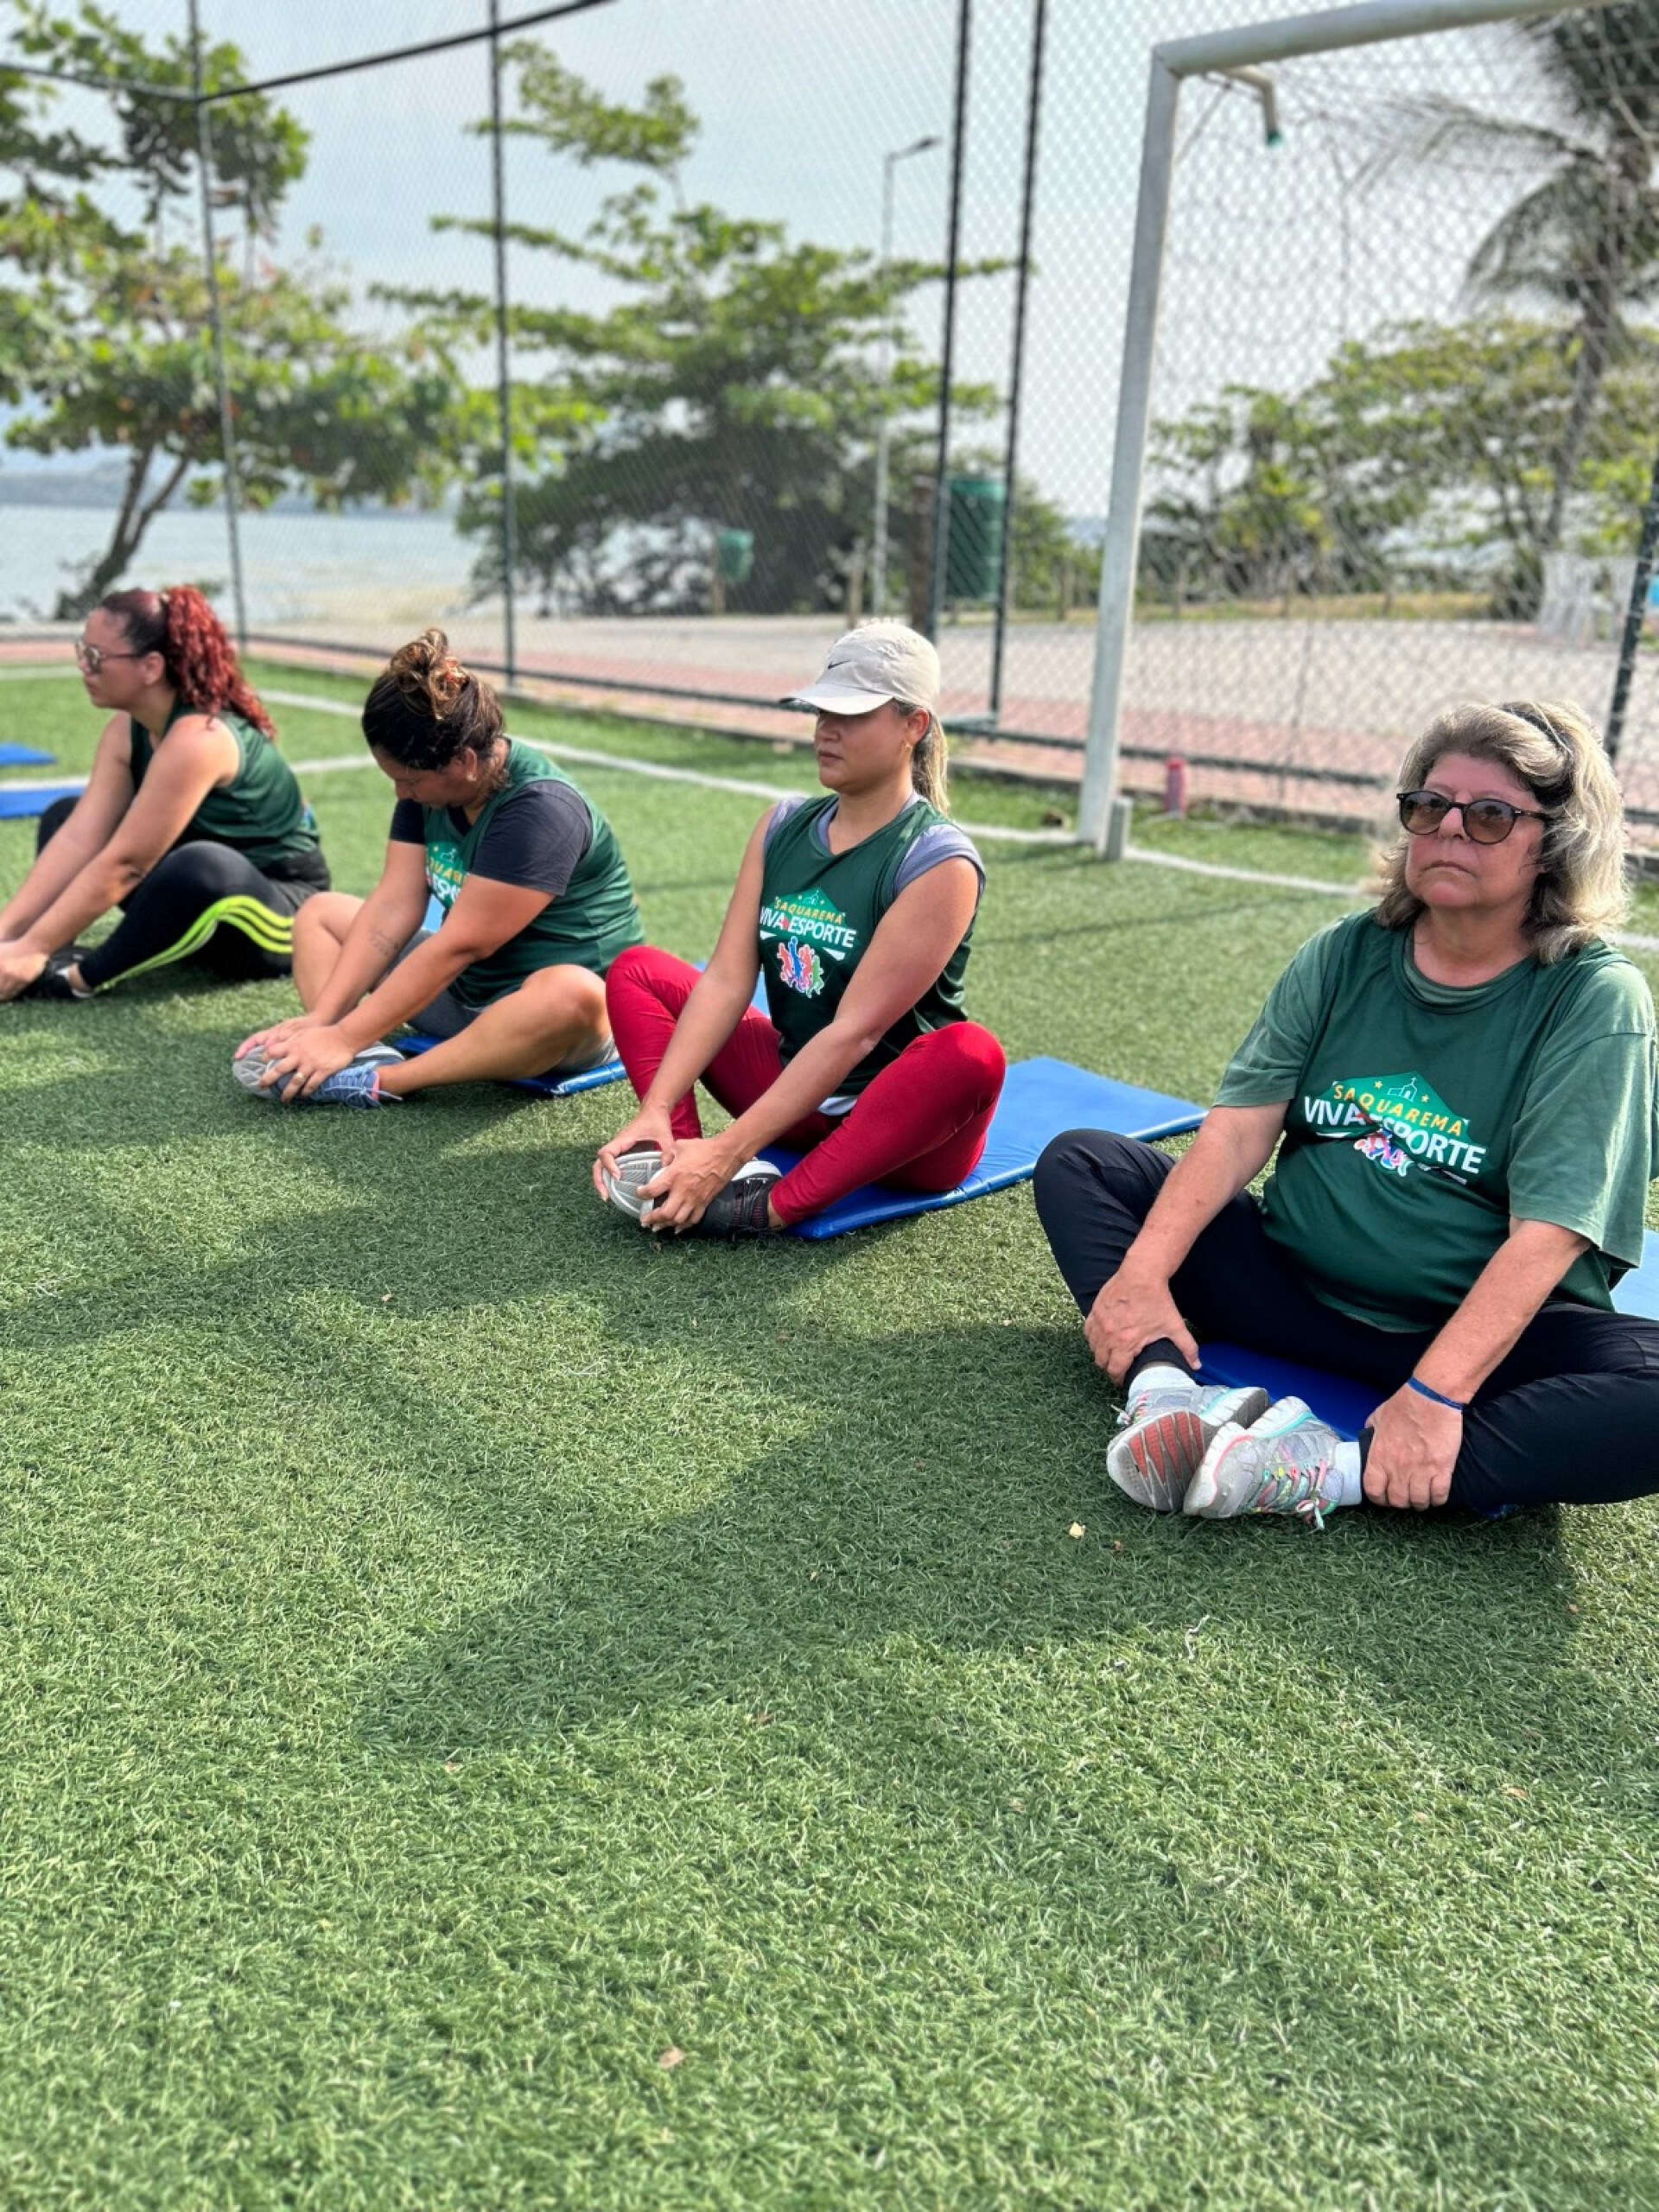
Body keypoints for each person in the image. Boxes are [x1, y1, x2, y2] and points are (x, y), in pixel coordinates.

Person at [1034, 699, 1658, 1526]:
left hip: (1472, 1341)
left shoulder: (1594, 999)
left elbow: (1547, 1236)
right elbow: (1239, 1129)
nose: (1449, 829)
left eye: (1489, 816)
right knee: (1084, 1163)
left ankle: (1322, 1471)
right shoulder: (1345, 951)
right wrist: (1143, 1282)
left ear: (1556, 843)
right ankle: (1163, 1396)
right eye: (1429, 806)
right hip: (1291, 1292)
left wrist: (1436, 1393)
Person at [593, 620, 1006, 1236]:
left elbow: (855, 1034)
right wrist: (658, 1107)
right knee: (638, 971)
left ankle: (768, 1206)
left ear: (914, 725)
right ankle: (673, 1156)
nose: (825, 730)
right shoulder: (781, 825)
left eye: (851, 715)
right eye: (821, 712)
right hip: (791, 1097)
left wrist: (729, 1150)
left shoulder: (937, 860)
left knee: (972, 1054)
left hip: (898, 1133)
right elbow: (726, 980)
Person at [233, 629, 643, 1106]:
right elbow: (393, 905)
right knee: (320, 914)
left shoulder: (540, 810)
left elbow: (459, 946)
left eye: (409, 781)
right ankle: (354, 1054)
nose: (400, 793)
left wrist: (343, 1036)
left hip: (563, 1024)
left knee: (573, 993)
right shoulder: (431, 788)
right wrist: (324, 1020)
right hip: (467, 997)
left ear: (464, 761)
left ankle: (383, 1080)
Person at [0, 586, 328, 1001]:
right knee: (65, 814)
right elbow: (79, 838)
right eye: (82, 651)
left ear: (151, 667)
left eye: (96, 656)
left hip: (280, 914)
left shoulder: (199, 739)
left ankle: (76, 980)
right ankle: (40, 953)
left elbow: (128, 866)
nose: (84, 666)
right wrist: (10, 934)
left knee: (200, 863)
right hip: (188, 906)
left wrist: (32, 947)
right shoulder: (125, 730)